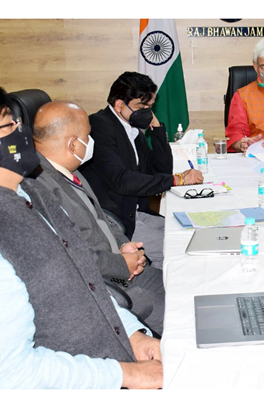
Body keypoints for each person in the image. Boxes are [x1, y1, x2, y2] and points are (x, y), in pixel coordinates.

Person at [0, 82, 162, 389]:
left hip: (112, 362)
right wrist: (127, 375)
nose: (23, 133)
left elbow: (87, 283)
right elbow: (10, 375)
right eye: (8, 126)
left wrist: (133, 335)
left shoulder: (27, 190)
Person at [32, 101, 165, 335]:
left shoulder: (71, 171)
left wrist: (124, 244)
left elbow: (102, 217)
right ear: (74, 144)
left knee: (183, 284)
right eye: (88, 136)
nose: (91, 142)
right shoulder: (40, 190)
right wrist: (122, 265)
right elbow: (72, 255)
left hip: (124, 267)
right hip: (109, 286)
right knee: (185, 319)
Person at [80, 72, 203, 269]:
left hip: (139, 212)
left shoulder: (131, 128)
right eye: (141, 107)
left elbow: (160, 169)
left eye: (150, 107)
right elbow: (123, 180)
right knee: (181, 253)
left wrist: (156, 128)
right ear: (120, 105)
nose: (146, 112)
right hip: (118, 221)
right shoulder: (100, 126)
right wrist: (177, 179)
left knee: (193, 235)